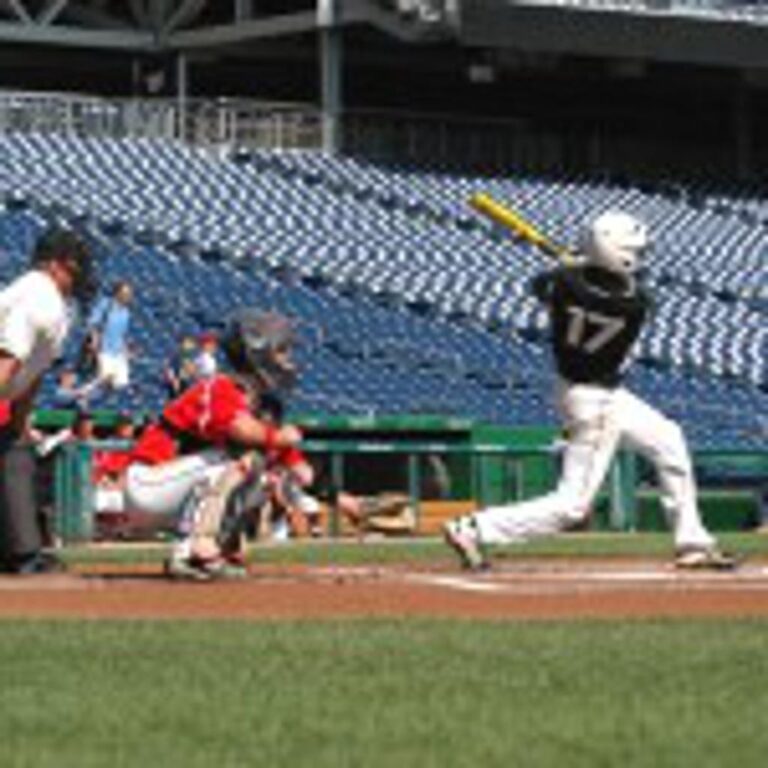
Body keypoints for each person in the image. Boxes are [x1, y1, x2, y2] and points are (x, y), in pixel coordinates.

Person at [443, 210, 736, 571]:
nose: (641, 258)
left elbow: (540, 285)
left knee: (669, 440)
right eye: (635, 251)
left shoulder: (563, 284)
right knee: (573, 506)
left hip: (588, 390)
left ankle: (693, 542)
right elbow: (628, 294)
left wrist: (578, 270)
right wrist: (584, 270)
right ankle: (476, 529)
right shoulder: (633, 305)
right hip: (595, 403)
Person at [119, 309, 303, 580]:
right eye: (280, 351)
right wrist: (278, 438)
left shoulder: (261, 403)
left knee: (262, 474)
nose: (286, 360)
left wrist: (290, 480)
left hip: (177, 486)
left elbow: (300, 471)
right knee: (241, 460)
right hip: (148, 483)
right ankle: (191, 551)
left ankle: (223, 547)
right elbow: (239, 428)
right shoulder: (220, 387)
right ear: (256, 353)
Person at [0, 226, 96, 574]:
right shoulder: (38, 296)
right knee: (14, 455)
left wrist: (19, 424)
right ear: (55, 265)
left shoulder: (52, 302)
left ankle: (19, 552)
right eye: (74, 267)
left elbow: (32, 375)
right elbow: (6, 360)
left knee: (16, 452)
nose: (80, 275)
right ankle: (22, 553)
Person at [85, 280, 133, 392]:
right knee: (104, 380)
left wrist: (126, 350)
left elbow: (123, 334)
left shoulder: (126, 312)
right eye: (126, 293)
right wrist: (94, 340)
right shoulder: (106, 305)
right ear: (117, 293)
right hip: (105, 349)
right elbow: (93, 323)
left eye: (129, 294)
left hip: (119, 353)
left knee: (121, 384)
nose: (128, 296)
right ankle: (83, 395)